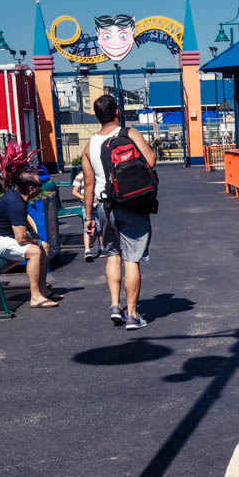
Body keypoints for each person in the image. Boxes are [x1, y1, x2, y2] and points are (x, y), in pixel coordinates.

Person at [81, 94, 157, 331]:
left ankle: (116, 306)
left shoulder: (89, 146)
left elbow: (89, 185)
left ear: (97, 116)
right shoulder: (129, 133)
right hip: (132, 204)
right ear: (117, 112)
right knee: (132, 259)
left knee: (112, 254)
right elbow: (151, 160)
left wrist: (89, 218)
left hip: (104, 207)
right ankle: (132, 315)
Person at [0, 169, 61, 309]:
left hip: (5, 237)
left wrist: (36, 237)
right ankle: (35, 297)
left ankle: (43, 290)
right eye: (39, 185)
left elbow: (22, 220)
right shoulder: (16, 202)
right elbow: (21, 238)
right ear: (31, 189)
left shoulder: (18, 196)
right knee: (34, 251)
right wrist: (35, 242)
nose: (41, 188)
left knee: (45, 246)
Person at [71, 170, 104, 262]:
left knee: (100, 226)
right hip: (86, 205)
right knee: (87, 226)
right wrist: (84, 198)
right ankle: (87, 250)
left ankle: (101, 247)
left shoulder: (97, 175)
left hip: (98, 203)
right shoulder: (80, 176)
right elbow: (74, 192)